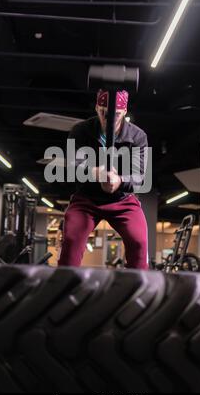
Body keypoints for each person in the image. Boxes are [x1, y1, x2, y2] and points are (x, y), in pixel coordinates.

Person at [58, 89, 149, 269]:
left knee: (139, 242)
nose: (109, 119)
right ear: (97, 108)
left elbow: (139, 177)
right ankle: (64, 287)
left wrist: (119, 181)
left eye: (115, 114)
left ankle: (138, 290)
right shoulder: (80, 131)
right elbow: (72, 166)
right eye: (104, 113)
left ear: (124, 112)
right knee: (71, 240)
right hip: (87, 199)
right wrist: (95, 173)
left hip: (122, 199)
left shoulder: (138, 137)